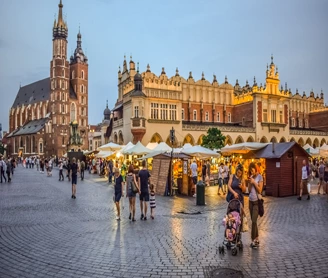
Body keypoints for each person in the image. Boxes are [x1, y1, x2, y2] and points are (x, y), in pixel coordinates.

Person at [248, 162, 263, 248]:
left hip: (257, 202)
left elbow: (260, 190)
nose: (251, 171)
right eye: (250, 170)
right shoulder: (251, 177)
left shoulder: (260, 177)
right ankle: (257, 238)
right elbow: (249, 190)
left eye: (252, 170)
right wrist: (250, 182)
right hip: (250, 201)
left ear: (255, 168)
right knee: (253, 221)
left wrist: (254, 182)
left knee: (254, 221)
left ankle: (253, 239)